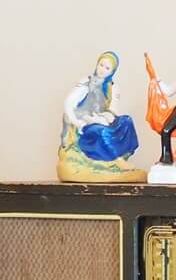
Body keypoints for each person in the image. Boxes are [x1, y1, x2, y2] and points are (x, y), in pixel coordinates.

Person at [57, 52, 142, 182]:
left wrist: (105, 118)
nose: (102, 70)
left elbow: (113, 110)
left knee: (126, 121)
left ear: (112, 71)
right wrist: (78, 122)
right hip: (84, 122)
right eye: (101, 65)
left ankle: (121, 156)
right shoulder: (87, 82)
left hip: (102, 119)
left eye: (107, 68)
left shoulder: (112, 87)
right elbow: (69, 103)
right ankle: (114, 161)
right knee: (101, 132)